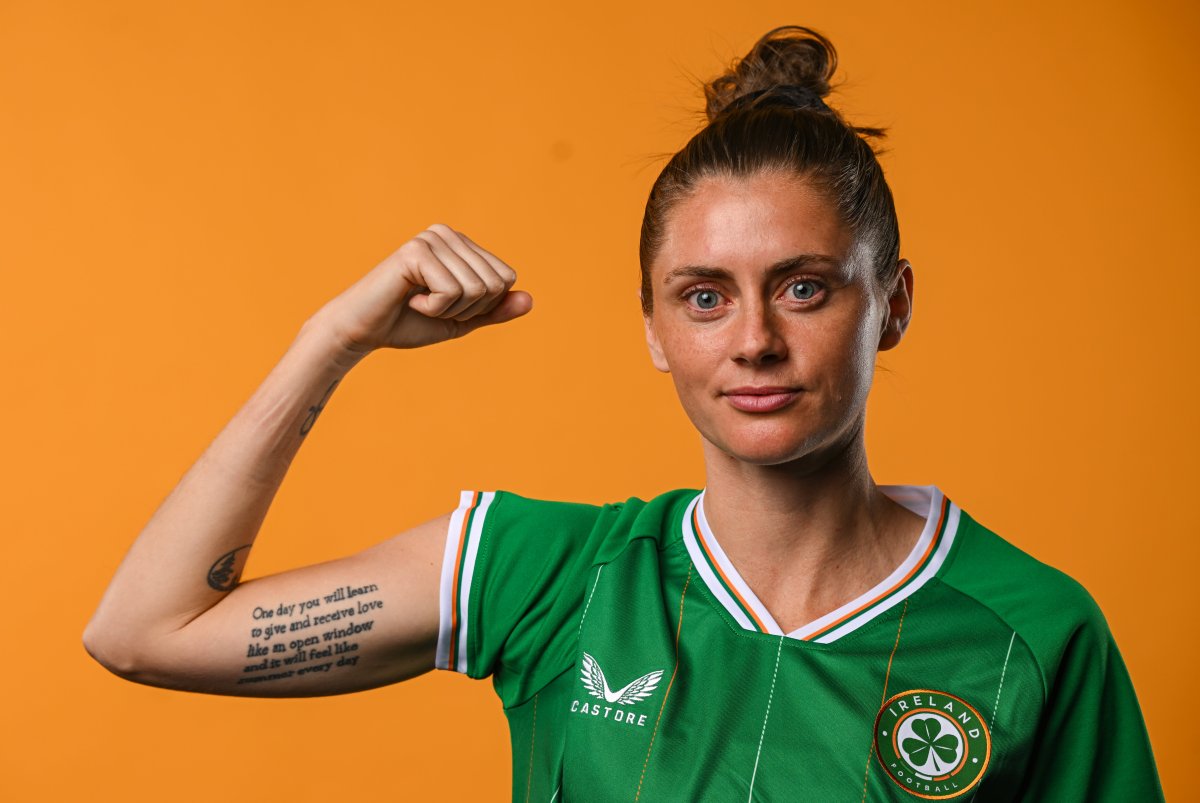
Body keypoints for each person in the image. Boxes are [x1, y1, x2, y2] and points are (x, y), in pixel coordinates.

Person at [83, 24, 1163, 802]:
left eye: (803, 286)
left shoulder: (1035, 631)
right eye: (703, 295)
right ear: (652, 327)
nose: (752, 339)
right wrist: (332, 341)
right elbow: (146, 630)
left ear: (891, 304)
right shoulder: (550, 574)